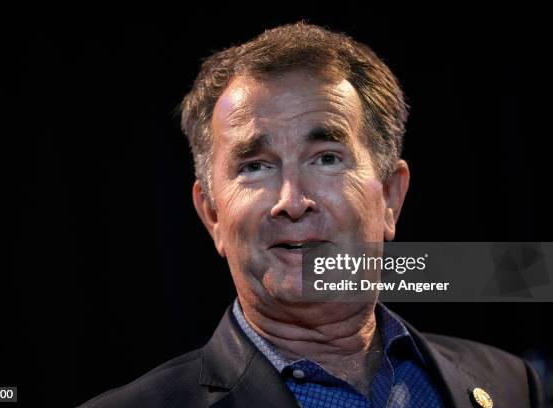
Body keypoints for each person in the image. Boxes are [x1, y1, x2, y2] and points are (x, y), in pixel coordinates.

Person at [79, 22, 545, 408]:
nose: (292, 200)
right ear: (212, 216)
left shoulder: (510, 384)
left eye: (326, 158)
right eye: (255, 166)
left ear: (389, 197)